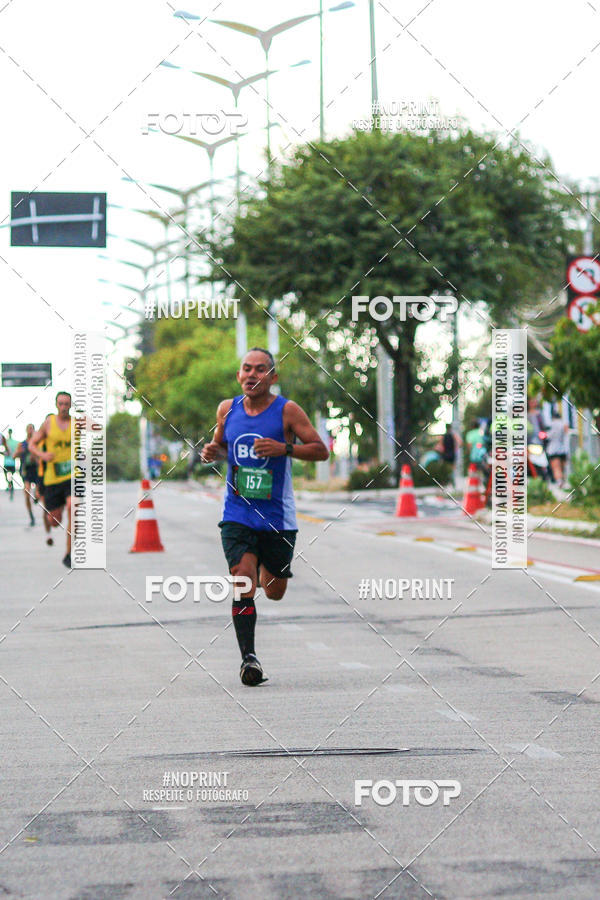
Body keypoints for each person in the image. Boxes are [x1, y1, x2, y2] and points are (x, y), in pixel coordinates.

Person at [201, 348, 329, 687]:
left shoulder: (287, 411)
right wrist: (214, 452)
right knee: (243, 580)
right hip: (238, 512)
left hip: (277, 517)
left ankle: (260, 568)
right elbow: (221, 446)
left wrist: (284, 448)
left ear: (272, 377)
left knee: (273, 591)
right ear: (239, 374)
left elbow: (320, 449)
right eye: (246, 369)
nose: (252, 375)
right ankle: (249, 659)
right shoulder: (227, 410)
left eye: (260, 370)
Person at [30, 392, 72, 567]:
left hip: (70, 477)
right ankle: (52, 522)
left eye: (66, 404)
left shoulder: (72, 425)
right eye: (60, 404)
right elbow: (32, 448)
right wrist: (42, 455)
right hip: (48, 477)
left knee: (73, 506)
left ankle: (68, 554)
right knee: (55, 521)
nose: (63, 407)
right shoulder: (46, 429)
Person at [14, 424, 38, 526]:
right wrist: (19, 453)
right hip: (26, 470)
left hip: (36, 470)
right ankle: (31, 515)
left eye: (32, 429)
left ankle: (37, 497)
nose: (30, 431)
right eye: (28, 429)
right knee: (27, 492)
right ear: (26, 430)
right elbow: (14, 456)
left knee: (38, 493)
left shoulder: (37, 443)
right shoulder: (22, 444)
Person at [546, 409, 569, 488]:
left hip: (553, 449)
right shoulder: (564, 424)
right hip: (563, 449)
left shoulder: (551, 424)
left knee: (556, 468)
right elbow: (567, 433)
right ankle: (563, 482)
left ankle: (559, 483)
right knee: (562, 467)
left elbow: (547, 436)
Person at [3, 428, 18, 497]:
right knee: (7, 477)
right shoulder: (6, 442)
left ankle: (10, 487)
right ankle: (10, 486)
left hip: (11, 462)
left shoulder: (10, 442)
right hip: (8, 462)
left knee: (9, 477)